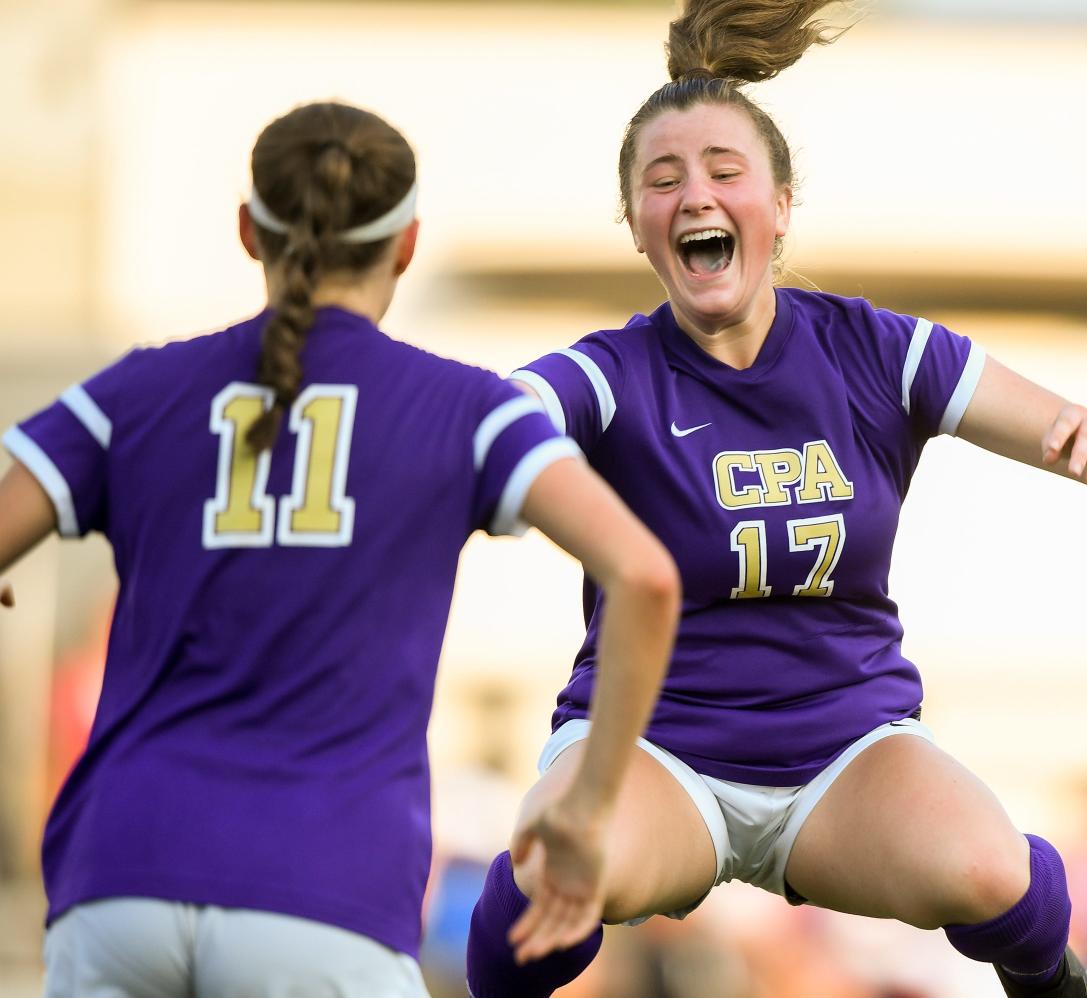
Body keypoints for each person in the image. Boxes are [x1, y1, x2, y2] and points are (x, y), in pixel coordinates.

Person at [464, 3, 1087, 997]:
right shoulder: (615, 372)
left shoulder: (875, 350)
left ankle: (1052, 976)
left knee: (997, 873)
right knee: (542, 887)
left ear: (780, 206)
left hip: (847, 751)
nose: (694, 193)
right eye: (662, 181)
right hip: (661, 752)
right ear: (638, 227)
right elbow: (505, 410)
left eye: (724, 171)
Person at [0, 100, 681, 997]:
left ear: (250, 232)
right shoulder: (467, 411)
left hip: (118, 879)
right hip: (324, 896)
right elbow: (644, 575)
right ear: (405, 244)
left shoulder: (137, 391)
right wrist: (587, 813)